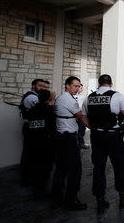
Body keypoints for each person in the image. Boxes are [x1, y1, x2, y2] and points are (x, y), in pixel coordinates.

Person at [81, 74, 124, 214]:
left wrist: (93, 127)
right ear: (111, 84)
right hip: (113, 137)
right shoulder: (117, 96)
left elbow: (83, 117)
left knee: (98, 168)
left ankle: (100, 201)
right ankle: (123, 198)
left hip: (97, 136)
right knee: (119, 166)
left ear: (99, 84)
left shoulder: (89, 98)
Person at [52, 76, 87, 211]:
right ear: (67, 86)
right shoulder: (68, 99)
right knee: (75, 170)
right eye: (75, 86)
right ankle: (71, 200)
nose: (77, 88)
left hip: (61, 137)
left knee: (61, 169)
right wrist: (94, 128)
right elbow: (80, 116)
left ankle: (57, 197)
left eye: (79, 86)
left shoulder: (62, 98)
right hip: (68, 139)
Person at [24, 89, 55, 196]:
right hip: (46, 143)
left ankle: (36, 187)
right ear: (49, 98)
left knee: (36, 165)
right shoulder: (50, 109)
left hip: (33, 141)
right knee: (45, 167)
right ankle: (41, 190)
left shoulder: (32, 110)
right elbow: (53, 126)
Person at [19, 79, 51, 185]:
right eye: (40, 86)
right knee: (32, 153)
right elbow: (41, 110)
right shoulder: (33, 97)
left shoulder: (35, 97)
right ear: (33, 86)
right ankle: (29, 178)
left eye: (45, 87)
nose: (43, 88)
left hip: (33, 128)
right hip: (33, 129)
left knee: (30, 153)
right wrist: (49, 104)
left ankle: (29, 177)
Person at [74, 84, 89, 149]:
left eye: (82, 88)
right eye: (80, 88)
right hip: (75, 115)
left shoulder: (82, 96)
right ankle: (76, 143)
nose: (81, 89)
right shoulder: (73, 96)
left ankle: (81, 143)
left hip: (81, 116)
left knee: (82, 129)